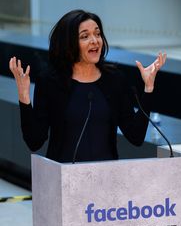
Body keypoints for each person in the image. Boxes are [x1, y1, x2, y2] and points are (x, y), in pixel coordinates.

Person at [8, 9, 167, 163]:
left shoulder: (114, 80)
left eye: (97, 34)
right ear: (69, 43)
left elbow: (136, 136)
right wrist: (24, 96)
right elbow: (34, 141)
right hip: (63, 180)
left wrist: (148, 88)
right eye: (85, 36)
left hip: (106, 178)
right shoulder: (51, 82)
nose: (95, 40)